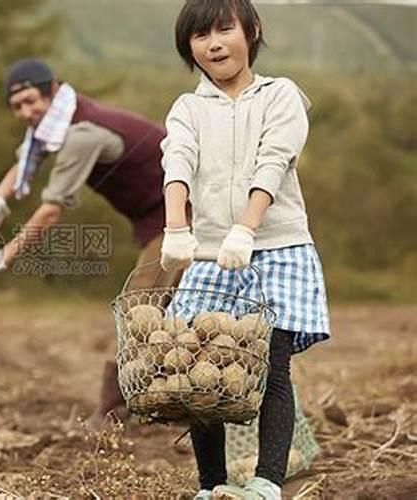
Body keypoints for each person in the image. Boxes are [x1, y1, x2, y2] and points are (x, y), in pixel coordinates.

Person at [159, 1, 330, 498]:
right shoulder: (188, 108)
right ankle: (212, 486)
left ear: (251, 31)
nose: (214, 43)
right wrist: (176, 228)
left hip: (277, 245)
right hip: (212, 254)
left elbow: (273, 161)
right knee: (200, 366)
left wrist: (246, 229)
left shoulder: (281, 96)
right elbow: (178, 161)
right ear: (188, 48)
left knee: (268, 361)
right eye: (200, 36)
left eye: (224, 29)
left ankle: (266, 483)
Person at [0, 59, 184, 429]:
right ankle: (165, 402)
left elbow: (52, 210)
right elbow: (25, 163)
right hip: (157, 217)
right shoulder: (58, 121)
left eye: (31, 101)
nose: (25, 112)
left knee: (140, 305)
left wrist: (5, 256)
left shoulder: (82, 133)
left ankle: (118, 410)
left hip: (185, 213)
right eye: (16, 106)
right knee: (167, 308)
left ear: (52, 90)